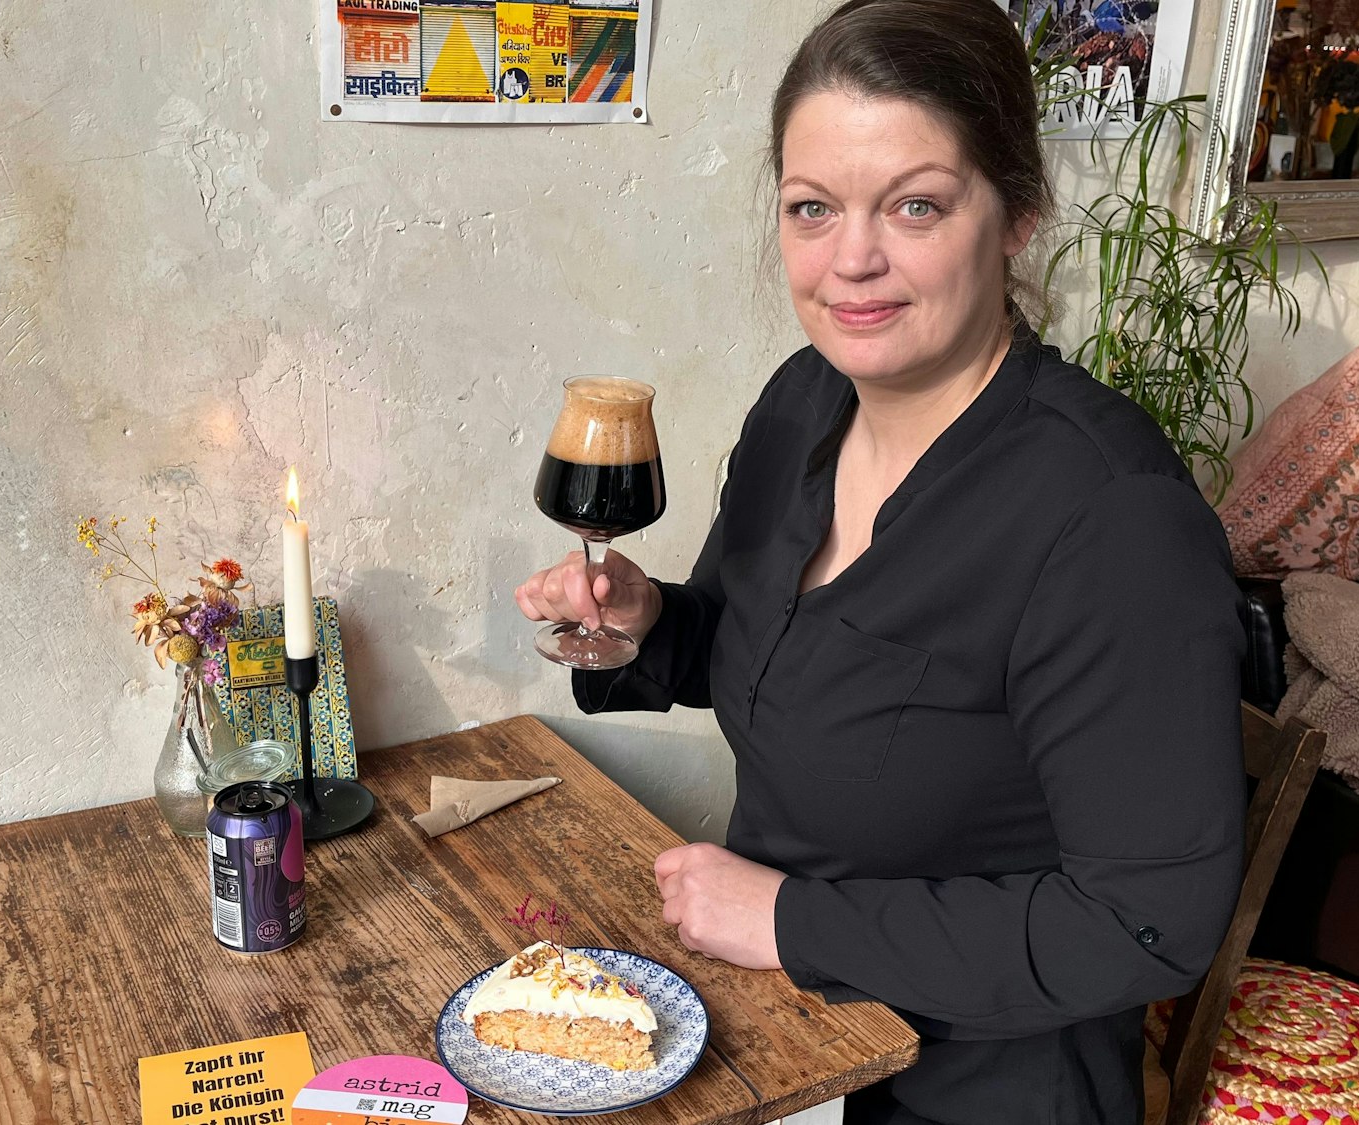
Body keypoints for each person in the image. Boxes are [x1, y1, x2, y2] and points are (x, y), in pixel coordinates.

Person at [514, 2, 1247, 1121]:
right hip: (785, 1037)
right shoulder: (801, 403)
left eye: (916, 205)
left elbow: (1148, 924)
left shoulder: (1109, 515)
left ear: (1017, 214)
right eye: (812, 208)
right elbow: (768, 656)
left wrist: (790, 919)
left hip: (977, 1085)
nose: (851, 260)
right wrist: (648, 625)